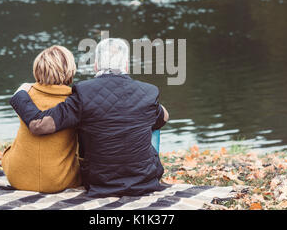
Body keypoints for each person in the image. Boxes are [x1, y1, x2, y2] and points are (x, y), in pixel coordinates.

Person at [10, 38, 169, 197]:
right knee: (153, 123)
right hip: (145, 180)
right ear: (126, 65)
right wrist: (147, 103)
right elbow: (164, 118)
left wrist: (20, 94)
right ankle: (144, 169)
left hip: (100, 182)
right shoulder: (149, 91)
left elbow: (42, 125)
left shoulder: (83, 93)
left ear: (96, 66)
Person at [2, 45, 81, 193]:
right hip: (59, 181)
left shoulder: (25, 94)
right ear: (70, 70)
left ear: (37, 69)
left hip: (17, 177)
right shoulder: (75, 102)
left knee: (10, 150)